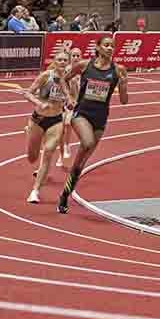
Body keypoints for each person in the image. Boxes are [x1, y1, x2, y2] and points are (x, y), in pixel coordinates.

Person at [57, 35, 129, 214]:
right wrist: (70, 97)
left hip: (100, 118)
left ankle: (65, 194)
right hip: (81, 114)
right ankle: (68, 185)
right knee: (87, 143)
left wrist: (124, 84)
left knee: (81, 162)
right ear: (97, 48)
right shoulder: (84, 66)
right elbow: (63, 80)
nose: (110, 48)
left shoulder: (118, 70)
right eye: (106, 45)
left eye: (112, 46)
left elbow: (124, 101)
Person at [19, 51, 73, 204]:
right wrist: (39, 103)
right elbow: (28, 93)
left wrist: (71, 103)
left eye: (65, 60)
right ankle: (28, 133)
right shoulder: (46, 76)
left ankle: (35, 191)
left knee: (48, 152)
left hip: (56, 120)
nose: (62, 62)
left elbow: (73, 99)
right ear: (55, 62)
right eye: (59, 60)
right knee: (32, 158)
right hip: (38, 119)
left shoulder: (71, 81)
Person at [58, 46, 83, 167]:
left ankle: (67, 146)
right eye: (73, 55)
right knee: (62, 128)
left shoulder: (84, 70)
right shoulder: (67, 70)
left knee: (68, 124)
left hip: (80, 102)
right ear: (70, 57)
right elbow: (62, 85)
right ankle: (62, 152)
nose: (76, 58)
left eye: (78, 56)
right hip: (68, 101)